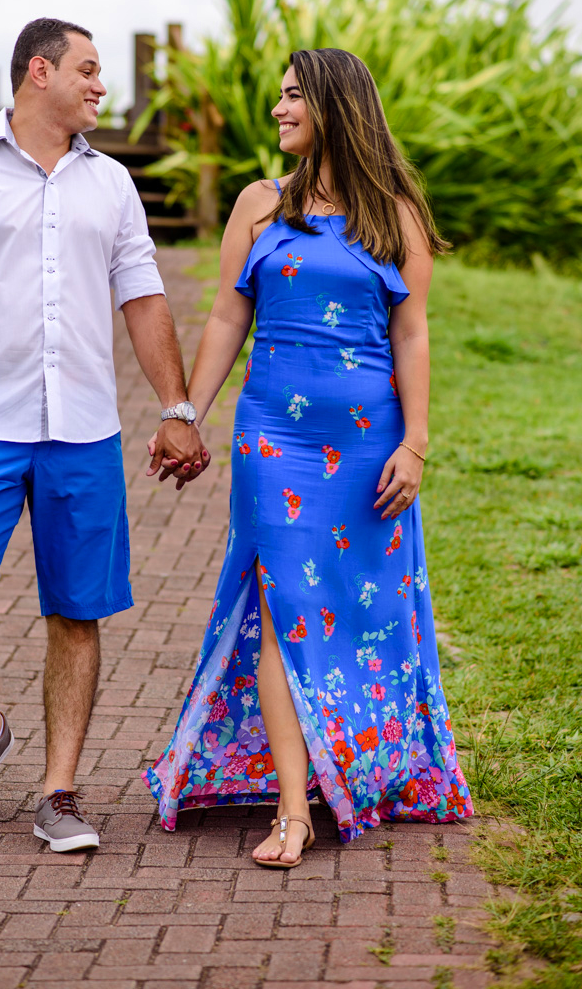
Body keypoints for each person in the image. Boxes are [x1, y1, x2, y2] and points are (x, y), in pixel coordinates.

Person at [0, 18, 209, 853]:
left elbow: (143, 299)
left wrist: (175, 409)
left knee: (77, 610)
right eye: (89, 70)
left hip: (85, 434)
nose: (102, 86)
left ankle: (59, 790)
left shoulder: (112, 185)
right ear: (39, 72)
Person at [143, 48, 473, 863]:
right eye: (280, 97)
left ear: (332, 105)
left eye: (292, 97)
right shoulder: (259, 206)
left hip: (367, 448)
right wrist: (185, 414)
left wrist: (416, 442)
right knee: (286, 611)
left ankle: (362, 768)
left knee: (365, 611)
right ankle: (293, 808)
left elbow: (412, 332)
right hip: (274, 444)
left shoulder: (392, 214)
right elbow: (227, 318)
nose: (279, 110)